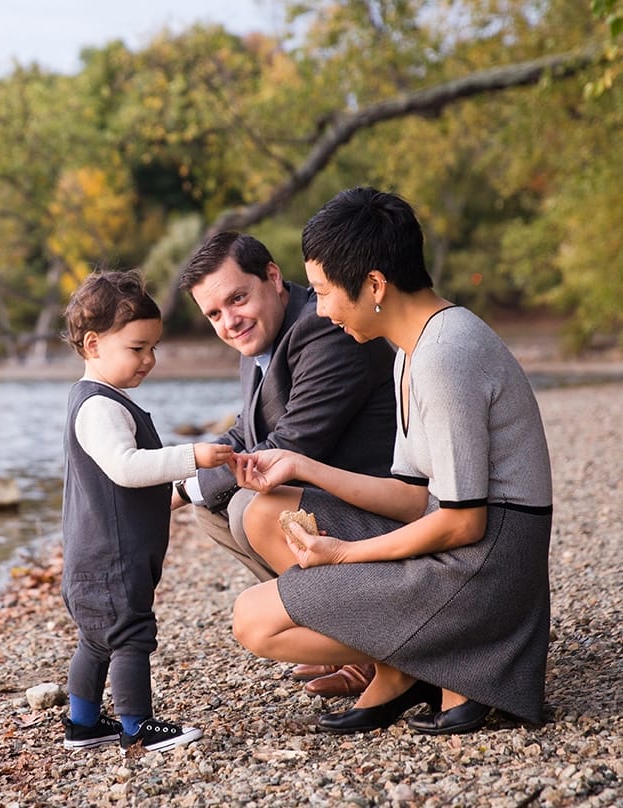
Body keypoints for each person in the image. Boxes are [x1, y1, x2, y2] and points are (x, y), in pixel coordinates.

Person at [229, 186, 553, 735]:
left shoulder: (446, 356)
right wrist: (301, 465)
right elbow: (409, 494)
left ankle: (457, 659)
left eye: (326, 292)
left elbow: (463, 521)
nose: (323, 310)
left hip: (488, 569)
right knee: (265, 511)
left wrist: (344, 555)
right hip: (462, 542)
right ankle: (411, 666)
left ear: (374, 285)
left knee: (254, 621)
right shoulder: (410, 349)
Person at [173, 231, 397, 697]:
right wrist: (176, 485)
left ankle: (382, 650)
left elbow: (295, 441)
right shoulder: (262, 335)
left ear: (272, 277)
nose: (229, 322)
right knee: (211, 509)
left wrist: (187, 489)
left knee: (249, 507)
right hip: (333, 496)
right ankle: (344, 642)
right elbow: (247, 433)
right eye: (214, 314)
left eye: (238, 299)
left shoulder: (322, 326)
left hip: (389, 508)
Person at [58, 269, 231, 752]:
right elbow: (126, 469)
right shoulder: (99, 408)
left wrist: (186, 484)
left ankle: (84, 723)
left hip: (95, 559)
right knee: (130, 636)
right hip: (111, 561)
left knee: (96, 641)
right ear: (93, 344)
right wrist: (192, 455)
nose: (149, 360)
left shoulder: (98, 401)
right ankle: (137, 727)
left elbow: (131, 484)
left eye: (153, 348)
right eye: (137, 348)